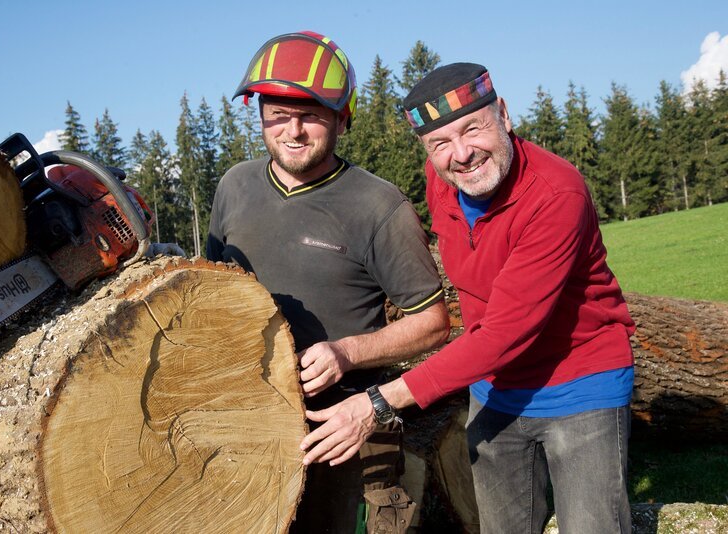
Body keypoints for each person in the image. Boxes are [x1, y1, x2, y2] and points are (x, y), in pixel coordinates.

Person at [300, 63, 636, 534]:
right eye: (440, 143)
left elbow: (504, 334)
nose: (461, 154)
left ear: (504, 115)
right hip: (494, 389)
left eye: (473, 129)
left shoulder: (556, 194)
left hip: (580, 384)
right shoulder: (442, 181)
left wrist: (377, 403)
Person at [206, 31, 450, 533]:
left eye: (311, 115)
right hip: (248, 423)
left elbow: (433, 323)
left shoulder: (379, 206)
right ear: (259, 112)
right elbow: (211, 294)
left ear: (342, 119)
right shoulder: (234, 186)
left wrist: (347, 353)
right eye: (278, 113)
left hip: (348, 428)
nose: (293, 130)